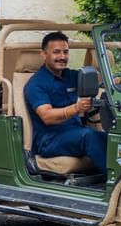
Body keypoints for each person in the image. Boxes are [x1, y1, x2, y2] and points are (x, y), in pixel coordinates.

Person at [24, 31, 107, 173]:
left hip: (75, 133)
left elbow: (99, 80)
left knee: (114, 139)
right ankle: (118, 182)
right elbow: (47, 116)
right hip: (49, 141)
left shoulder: (70, 76)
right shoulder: (36, 84)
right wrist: (76, 108)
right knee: (89, 136)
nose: (62, 57)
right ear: (44, 55)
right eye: (56, 52)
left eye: (65, 52)